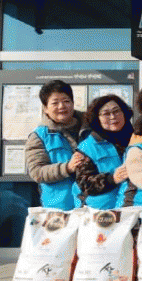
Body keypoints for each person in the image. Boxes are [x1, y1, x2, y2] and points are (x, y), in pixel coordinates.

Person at [25, 80, 86, 210]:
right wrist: (67, 168)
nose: (61, 106)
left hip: (94, 204)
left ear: (73, 103)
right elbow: (37, 172)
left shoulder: (91, 128)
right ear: (45, 108)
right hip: (59, 208)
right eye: (55, 103)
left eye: (66, 101)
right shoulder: (39, 136)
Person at [73, 95, 133, 209]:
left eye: (116, 111)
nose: (113, 117)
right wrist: (111, 179)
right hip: (100, 211)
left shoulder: (136, 140)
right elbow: (85, 183)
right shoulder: (87, 146)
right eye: (106, 114)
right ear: (97, 118)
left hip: (131, 207)